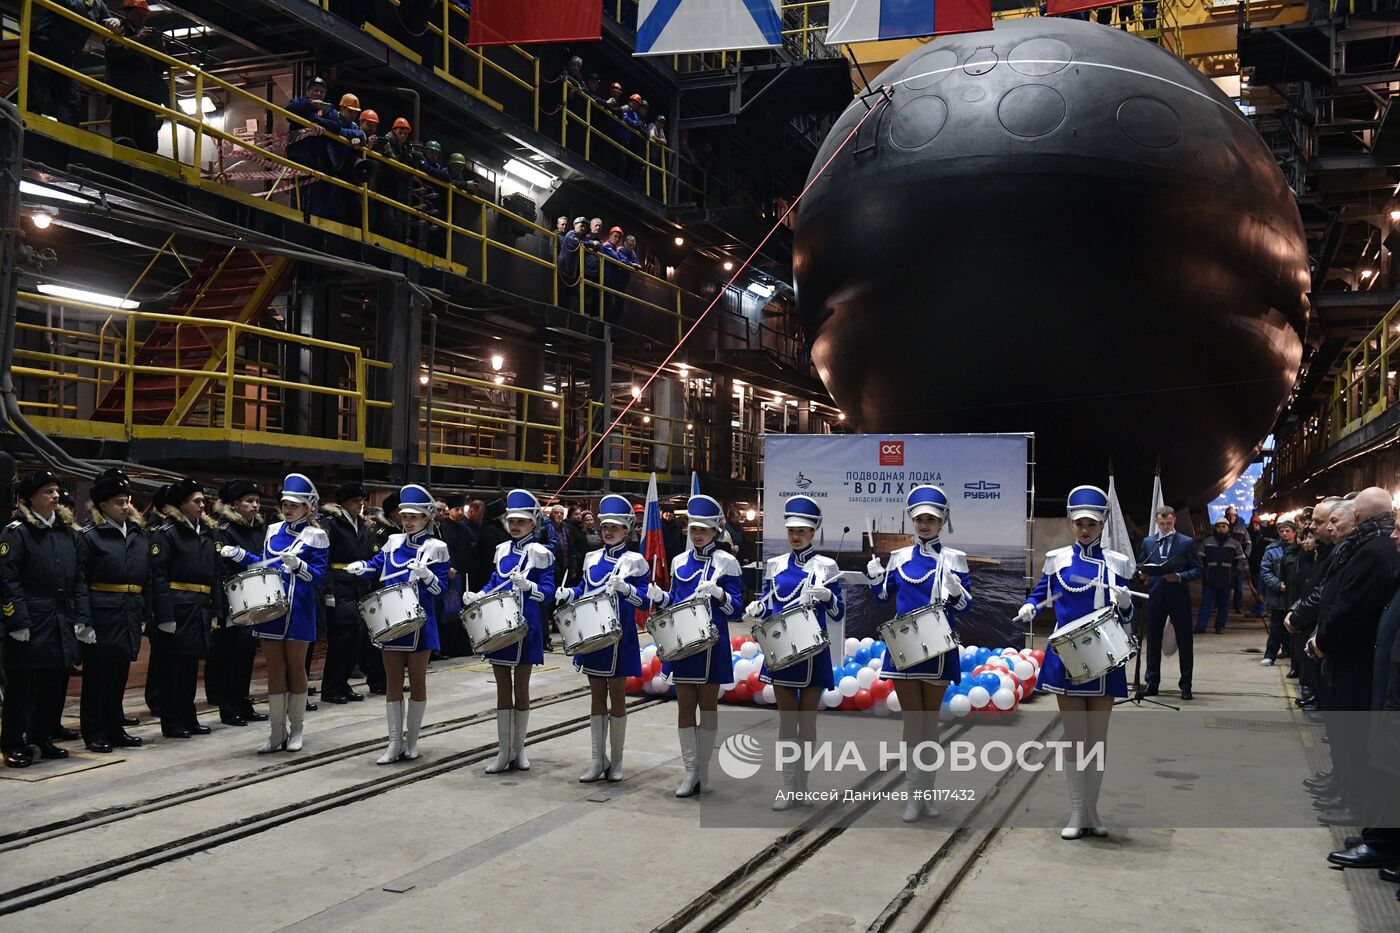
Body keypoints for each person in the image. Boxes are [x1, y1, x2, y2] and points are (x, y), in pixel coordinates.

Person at [1015, 485, 1135, 839]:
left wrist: (1126, 603)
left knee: (1097, 737)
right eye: (1080, 523)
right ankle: (1077, 809)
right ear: (1071, 524)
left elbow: (1126, 617)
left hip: (1106, 656)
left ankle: (1093, 809)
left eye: (1092, 524)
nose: (1085, 529)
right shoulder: (1058, 559)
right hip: (1068, 655)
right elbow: (1041, 593)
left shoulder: (1117, 564)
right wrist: (1031, 605)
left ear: (1102, 525)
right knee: (1074, 735)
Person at [866, 486, 967, 821]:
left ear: (942, 522)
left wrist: (956, 592)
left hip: (939, 648)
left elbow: (967, 605)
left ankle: (927, 794)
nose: (924, 525)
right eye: (920, 519)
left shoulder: (954, 559)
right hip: (904, 647)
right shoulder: (899, 558)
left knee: (930, 722)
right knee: (913, 723)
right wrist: (875, 579)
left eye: (931, 520)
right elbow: (883, 599)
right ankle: (914, 796)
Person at [1308, 488, 1399, 827]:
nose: (1395, 536)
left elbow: (1351, 608)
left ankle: (1355, 802)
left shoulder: (1371, 552)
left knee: (1355, 737)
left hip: (1355, 659)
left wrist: (1324, 641)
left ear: (1357, 518)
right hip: (1358, 656)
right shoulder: (1364, 548)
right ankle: (1347, 790)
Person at [747, 495, 843, 811]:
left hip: (813, 653)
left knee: (808, 723)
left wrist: (829, 596)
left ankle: (804, 783)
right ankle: (789, 785)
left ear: (813, 532)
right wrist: (759, 607)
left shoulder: (826, 566)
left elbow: (840, 613)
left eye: (802, 530)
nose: (796, 536)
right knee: (788, 722)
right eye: (792, 531)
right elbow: (768, 602)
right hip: (781, 650)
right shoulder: (775, 565)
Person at [219, 474, 328, 753]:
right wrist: (241, 555)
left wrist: (300, 567)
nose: (288, 509)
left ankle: (297, 729)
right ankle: (276, 732)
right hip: (271, 609)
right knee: (275, 670)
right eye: (285, 503)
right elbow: (263, 564)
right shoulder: (273, 530)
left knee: (296, 668)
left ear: (308, 508)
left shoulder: (317, 536)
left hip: (300, 609)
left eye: (294, 504)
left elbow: (318, 577)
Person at [346, 485, 450, 763]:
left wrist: (427, 576)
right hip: (391, 620)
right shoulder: (393, 543)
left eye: (414, 517)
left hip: (421, 623)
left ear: (427, 518)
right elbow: (377, 564)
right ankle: (394, 742)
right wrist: (361, 567)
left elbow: (440, 590)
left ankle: (412, 741)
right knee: (392, 682)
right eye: (405, 517)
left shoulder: (436, 548)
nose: (408, 521)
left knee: (417, 681)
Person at [647, 494, 741, 797]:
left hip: (713, 644)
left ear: (716, 530)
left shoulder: (727, 563)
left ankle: (705, 769)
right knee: (685, 705)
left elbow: (737, 610)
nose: (697, 534)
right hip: (684, 642)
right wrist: (661, 598)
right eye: (693, 528)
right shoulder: (679, 561)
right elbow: (675, 601)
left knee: (709, 706)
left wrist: (720, 594)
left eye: (703, 529)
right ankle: (690, 772)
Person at [556, 494, 648, 782]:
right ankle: (598, 759)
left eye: (615, 527)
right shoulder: (592, 557)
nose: (608, 531)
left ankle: (617, 761)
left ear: (627, 530)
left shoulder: (635, 561)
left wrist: (627, 590)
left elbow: (644, 602)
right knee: (596, 695)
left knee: (618, 694)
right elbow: (585, 588)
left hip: (620, 635)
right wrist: (568, 593)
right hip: (592, 634)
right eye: (605, 526)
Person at [464, 489, 555, 774]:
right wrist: (478, 595)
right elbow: (494, 582)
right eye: (511, 521)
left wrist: (531, 588)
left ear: (533, 524)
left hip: (527, 625)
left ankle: (520, 750)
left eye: (522, 522)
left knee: (522, 688)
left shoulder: (541, 554)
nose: (515, 526)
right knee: (503, 689)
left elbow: (550, 592)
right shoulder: (502, 550)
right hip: (499, 626)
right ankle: (503, 752)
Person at [0, 471, 87, 768]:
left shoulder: (66, 532)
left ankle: (43, 736)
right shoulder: (17, 532)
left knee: (55, 682)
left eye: (56, 491)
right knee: (22, 686)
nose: (55, 496)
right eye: (48, 491)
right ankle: (13, 743)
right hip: (32, 616)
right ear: (30, 499)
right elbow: (8, 580)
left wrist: (81, 617)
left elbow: (78, 578)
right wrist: (17, 621)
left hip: (60, 617)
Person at [76, 469, 150, 753]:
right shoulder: (90, 536)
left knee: (119, 672)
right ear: (103, 505)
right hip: (102, 612)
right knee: (97, 676)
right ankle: (94, 730)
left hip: (130, 610)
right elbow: (79, 581)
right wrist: (83, 621)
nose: (125, 506)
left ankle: (114, 726)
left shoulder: (136, 534)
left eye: (127, 500)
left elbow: (147, 576)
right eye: (119, 501)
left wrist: (145, 613)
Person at [151, 477, 220, 739]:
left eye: (203, 500)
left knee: (190, 667)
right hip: (178, 607)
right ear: (182, 504)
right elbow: (158, 576)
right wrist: (165, 615)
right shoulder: (167, 534)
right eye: (197, 501)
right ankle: (171, 721)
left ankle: (187, 715)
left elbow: (213, 574)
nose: (203, 505)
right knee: (173, 668)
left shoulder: (206, 533)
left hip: (200, 607)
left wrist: (215, 610)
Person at [208, 480, 265, 727]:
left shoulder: (258, 529)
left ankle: (243, 702)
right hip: (233, 601)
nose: (254, 505)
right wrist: (223, 610)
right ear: (234, 504)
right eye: (248, 501)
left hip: (254, 601)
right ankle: (228, 708)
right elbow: (220, 571)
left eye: (256, 501)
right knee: (228, 658)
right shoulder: (224, 530)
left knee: (246, 655)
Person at [1138, 505, 1201, 700]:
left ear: (1174, 521)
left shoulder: (1186, 542)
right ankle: (1152, 682)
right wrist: (1143, 574)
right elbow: (1142, 563)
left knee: (1184, 641)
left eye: (1168, 523)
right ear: (1157, 522)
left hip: (1178, 596)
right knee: (1153, 641)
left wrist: (1180, 576)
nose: (1165, 527)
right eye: (1162, 523)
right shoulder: (1149, 542)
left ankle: (1185, 685)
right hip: (1156, 596)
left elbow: (1197, 569)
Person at [321, 481, 372, 703]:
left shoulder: (360, 525)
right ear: (343, 503)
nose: (359, 504)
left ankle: (343, 684)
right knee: (340, 639)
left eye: (361, 501)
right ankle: (331, 688)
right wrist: (329, 591)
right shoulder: (332, 524)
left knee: (355, 639)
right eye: (355, 501)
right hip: (340, 585)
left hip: (358, 587)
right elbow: (325, 559)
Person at [29, 0, 121, 125]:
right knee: (35, 95)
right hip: (42, 49)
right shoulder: (91, 5)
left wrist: (116, 22)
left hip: (64, 58)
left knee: (71, 103)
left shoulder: (97, 4)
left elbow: (108, 20)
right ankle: (29, 131)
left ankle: (67, 141)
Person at [105, 0, 166, 153]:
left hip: (146, 94)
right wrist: (137, 39)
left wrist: (161, 50)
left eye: (144, 17)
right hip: (123, 90)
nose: (142, 20)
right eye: (139, 15)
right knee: (124, 136)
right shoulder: (119, 30)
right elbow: (113, 52)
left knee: (148, 141)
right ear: (129, 13)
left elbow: (161, 69)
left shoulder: (148, 37)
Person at [286, 76, 345, 222]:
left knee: (317, 200)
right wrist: (311, 105)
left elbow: (337, 126)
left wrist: (315, 120)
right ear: (309, 91)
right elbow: (289, 112)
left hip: (321, 160)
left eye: (322, 92)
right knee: (298, 195)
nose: (319, 94)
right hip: (301, 158)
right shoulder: (299, 102)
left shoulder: (328, 109)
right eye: (315, 91)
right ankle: (296, 222)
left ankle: (313, 226)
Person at [1259, 520, 1299, 667]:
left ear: (1294, 532)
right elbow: (1265, 570)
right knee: (1276, 628)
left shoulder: (1301, 549)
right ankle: (1270, 655)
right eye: (1282, 531)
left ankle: (1292, 656)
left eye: (1288, 531)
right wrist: (1277, 585)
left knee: (1295, 629)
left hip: (1295, 597)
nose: (1284, 534)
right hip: (1278, 596)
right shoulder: (1272, 549)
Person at [1196, 516, 1244, 634]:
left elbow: (1241, 561)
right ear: (1215, 528)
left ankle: (1220, 626)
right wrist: (1203, 571)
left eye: (1224, 526)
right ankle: (1200, 626)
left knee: (1223, 604)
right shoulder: (1207, 542)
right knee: (1206, 603)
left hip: (1226, 579)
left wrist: (1234, 574)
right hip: (1210, 579)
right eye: (1218, 527)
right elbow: (1198, 559)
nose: (1221, 529)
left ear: (1228, 528)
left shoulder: (1234, 544)